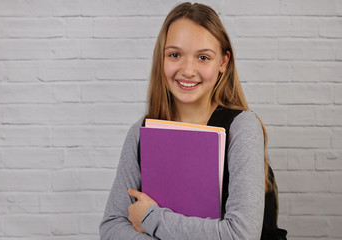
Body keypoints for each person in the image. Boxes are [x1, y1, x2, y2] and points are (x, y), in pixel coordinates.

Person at [100, 2, 287, 240]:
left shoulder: (242, 127)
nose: (188, 70)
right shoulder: (140, 132)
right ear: (162, 58)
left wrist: (149, 217)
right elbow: (111, 227)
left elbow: (240, 235)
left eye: (203, 57)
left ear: (223, 62)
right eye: (175, 54)